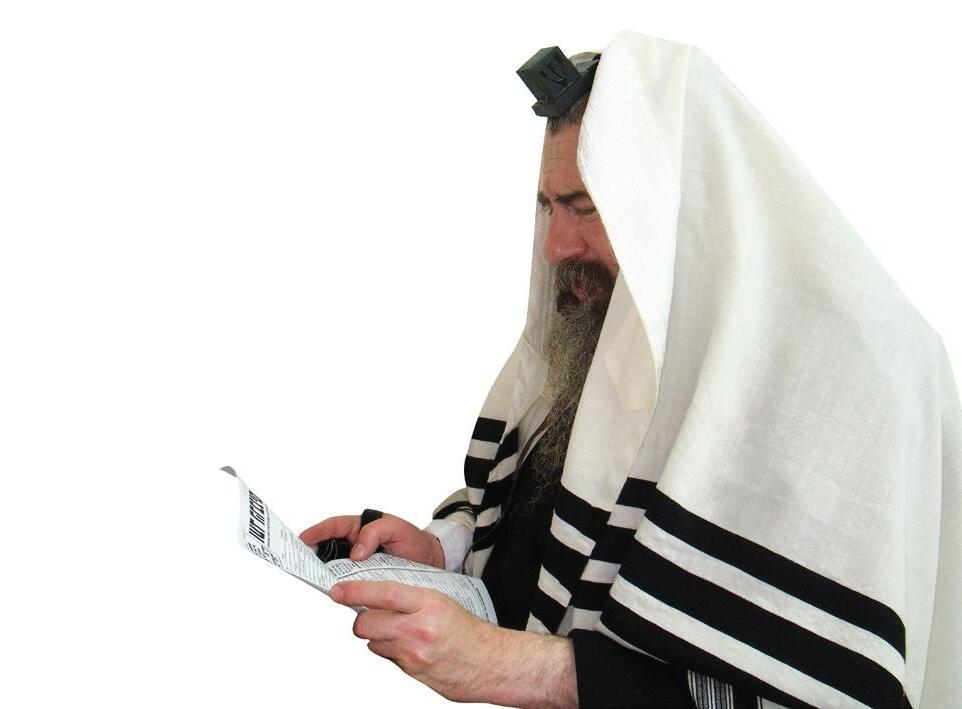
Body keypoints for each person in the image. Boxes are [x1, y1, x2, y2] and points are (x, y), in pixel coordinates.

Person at [301, 31, 961, 709]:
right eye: (548, 207)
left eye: (586, 208)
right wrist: (444, 550)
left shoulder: (862, 385)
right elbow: (556, 535)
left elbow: (823, 692)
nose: (557, 246)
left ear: (684, 205)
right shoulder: (620, 324)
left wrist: (507, 667)